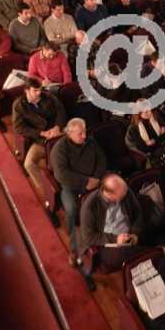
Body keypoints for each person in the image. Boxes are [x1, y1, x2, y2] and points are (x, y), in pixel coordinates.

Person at [51, 118, 107, 275]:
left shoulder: (90, 141)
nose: (84, 136)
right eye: (80, 133)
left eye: (85, 132)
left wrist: (96, 178)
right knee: (71, 210)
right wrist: (85, 182)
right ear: (69, 133)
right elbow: (61, 174)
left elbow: (102, 159)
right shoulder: (59, 149)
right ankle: (74, 249)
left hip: (94, 181)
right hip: (72, 186)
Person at [78, 173, 147, 276]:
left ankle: (154, 254)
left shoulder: (125, 191)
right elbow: (89, 237)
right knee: (122, 253)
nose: (126, 194)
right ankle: (156, 253)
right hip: (107, 243)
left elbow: (138, 212)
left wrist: (135, 234)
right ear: (109, 194)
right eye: (122, 195)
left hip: (129, 233)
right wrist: (116, 239)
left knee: (154, 227)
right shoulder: (89, 207)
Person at [13, 77, 66, 186]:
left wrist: (57, 127)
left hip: (58, 133)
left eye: (40, 90)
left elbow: (61, 110)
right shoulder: (19, 105)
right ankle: (47, 187)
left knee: (63, 158)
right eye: (35, 90)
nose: (39, 93)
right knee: (28, 165)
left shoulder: (48, 96)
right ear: (27, 90)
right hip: (41, 139)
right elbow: (19, 127)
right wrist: (41, 133)